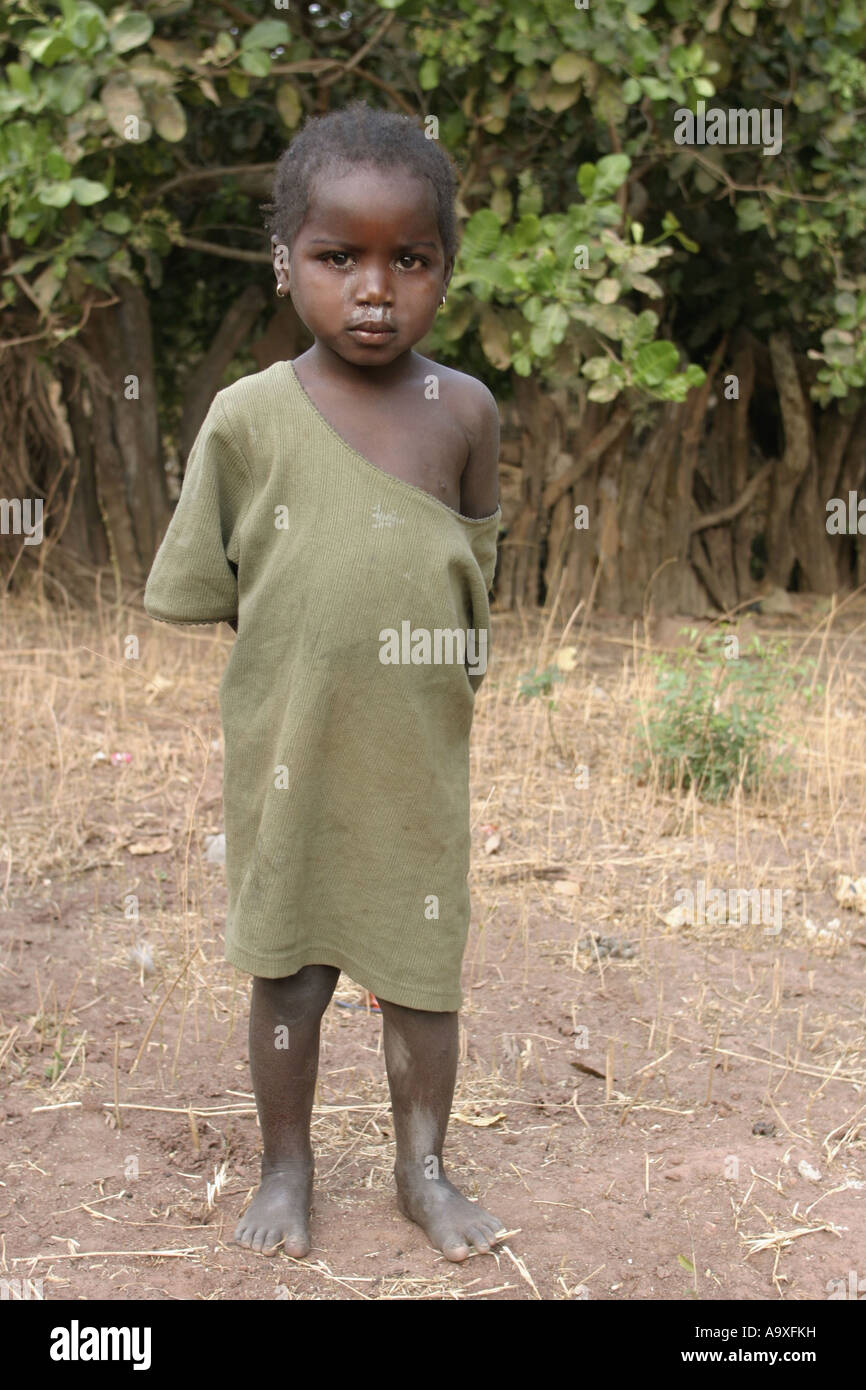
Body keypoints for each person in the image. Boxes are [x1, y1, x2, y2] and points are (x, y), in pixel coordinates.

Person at [144, 100, 504, 1263]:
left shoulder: (464, 415)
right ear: (282, 260)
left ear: (444, 267)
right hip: (292, 748)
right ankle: (286, 1165)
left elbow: (471, 581)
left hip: (414, 754)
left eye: (410, 258)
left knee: (420, 978)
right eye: (337, 256)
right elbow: (224, 588)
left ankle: (424, 1169)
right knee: (289, 977)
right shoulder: (246, 420)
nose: (373, 289)